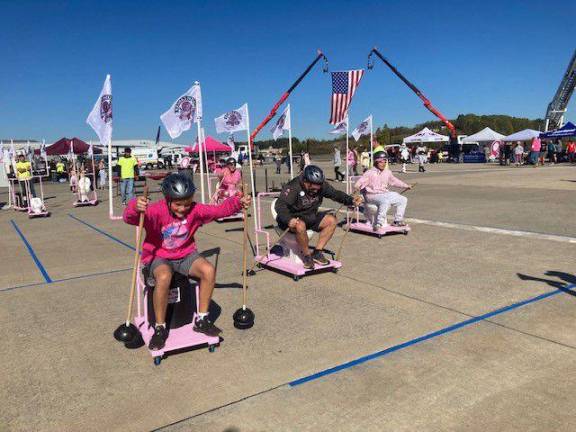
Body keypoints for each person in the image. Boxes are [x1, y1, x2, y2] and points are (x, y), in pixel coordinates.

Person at [123, 173, 251, 350]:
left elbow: (219, 211)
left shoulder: (196, 210)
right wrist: (134, 206)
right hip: (158, 256)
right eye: (178, 204)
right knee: (164, 276)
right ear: (168, 199)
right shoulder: (155, 210)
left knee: (208, 270)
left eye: (187, 204)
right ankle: (160, 328)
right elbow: (129, 218)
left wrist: (238, 202)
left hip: (186, 255)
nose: (183, 208)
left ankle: (202, 318)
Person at [274, 165, 362, 269]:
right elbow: (280, 205)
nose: (317, 189)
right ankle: (307, 256)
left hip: (309, 217)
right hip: (292, 220)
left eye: (319, 186)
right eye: (313, 186)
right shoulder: (293, 187)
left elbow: (335, 194)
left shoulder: (320, 185)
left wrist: (350, 200)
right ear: (305, 181)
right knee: (300, 225)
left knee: (331, 220)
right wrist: (288, 219)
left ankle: (317, 252)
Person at [354, 151, 411, 231]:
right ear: (376, 162)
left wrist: (406, 185)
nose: (383, 164)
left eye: (385, 161)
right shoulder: (369, 173)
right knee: (385, 201)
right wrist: (357, 191)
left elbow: (394, 181)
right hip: (371, 196)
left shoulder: (387, 172)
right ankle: (379, 223)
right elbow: (359, 183)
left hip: (384, 194)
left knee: (403, 199)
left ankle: (397, 221)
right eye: (381, 162)